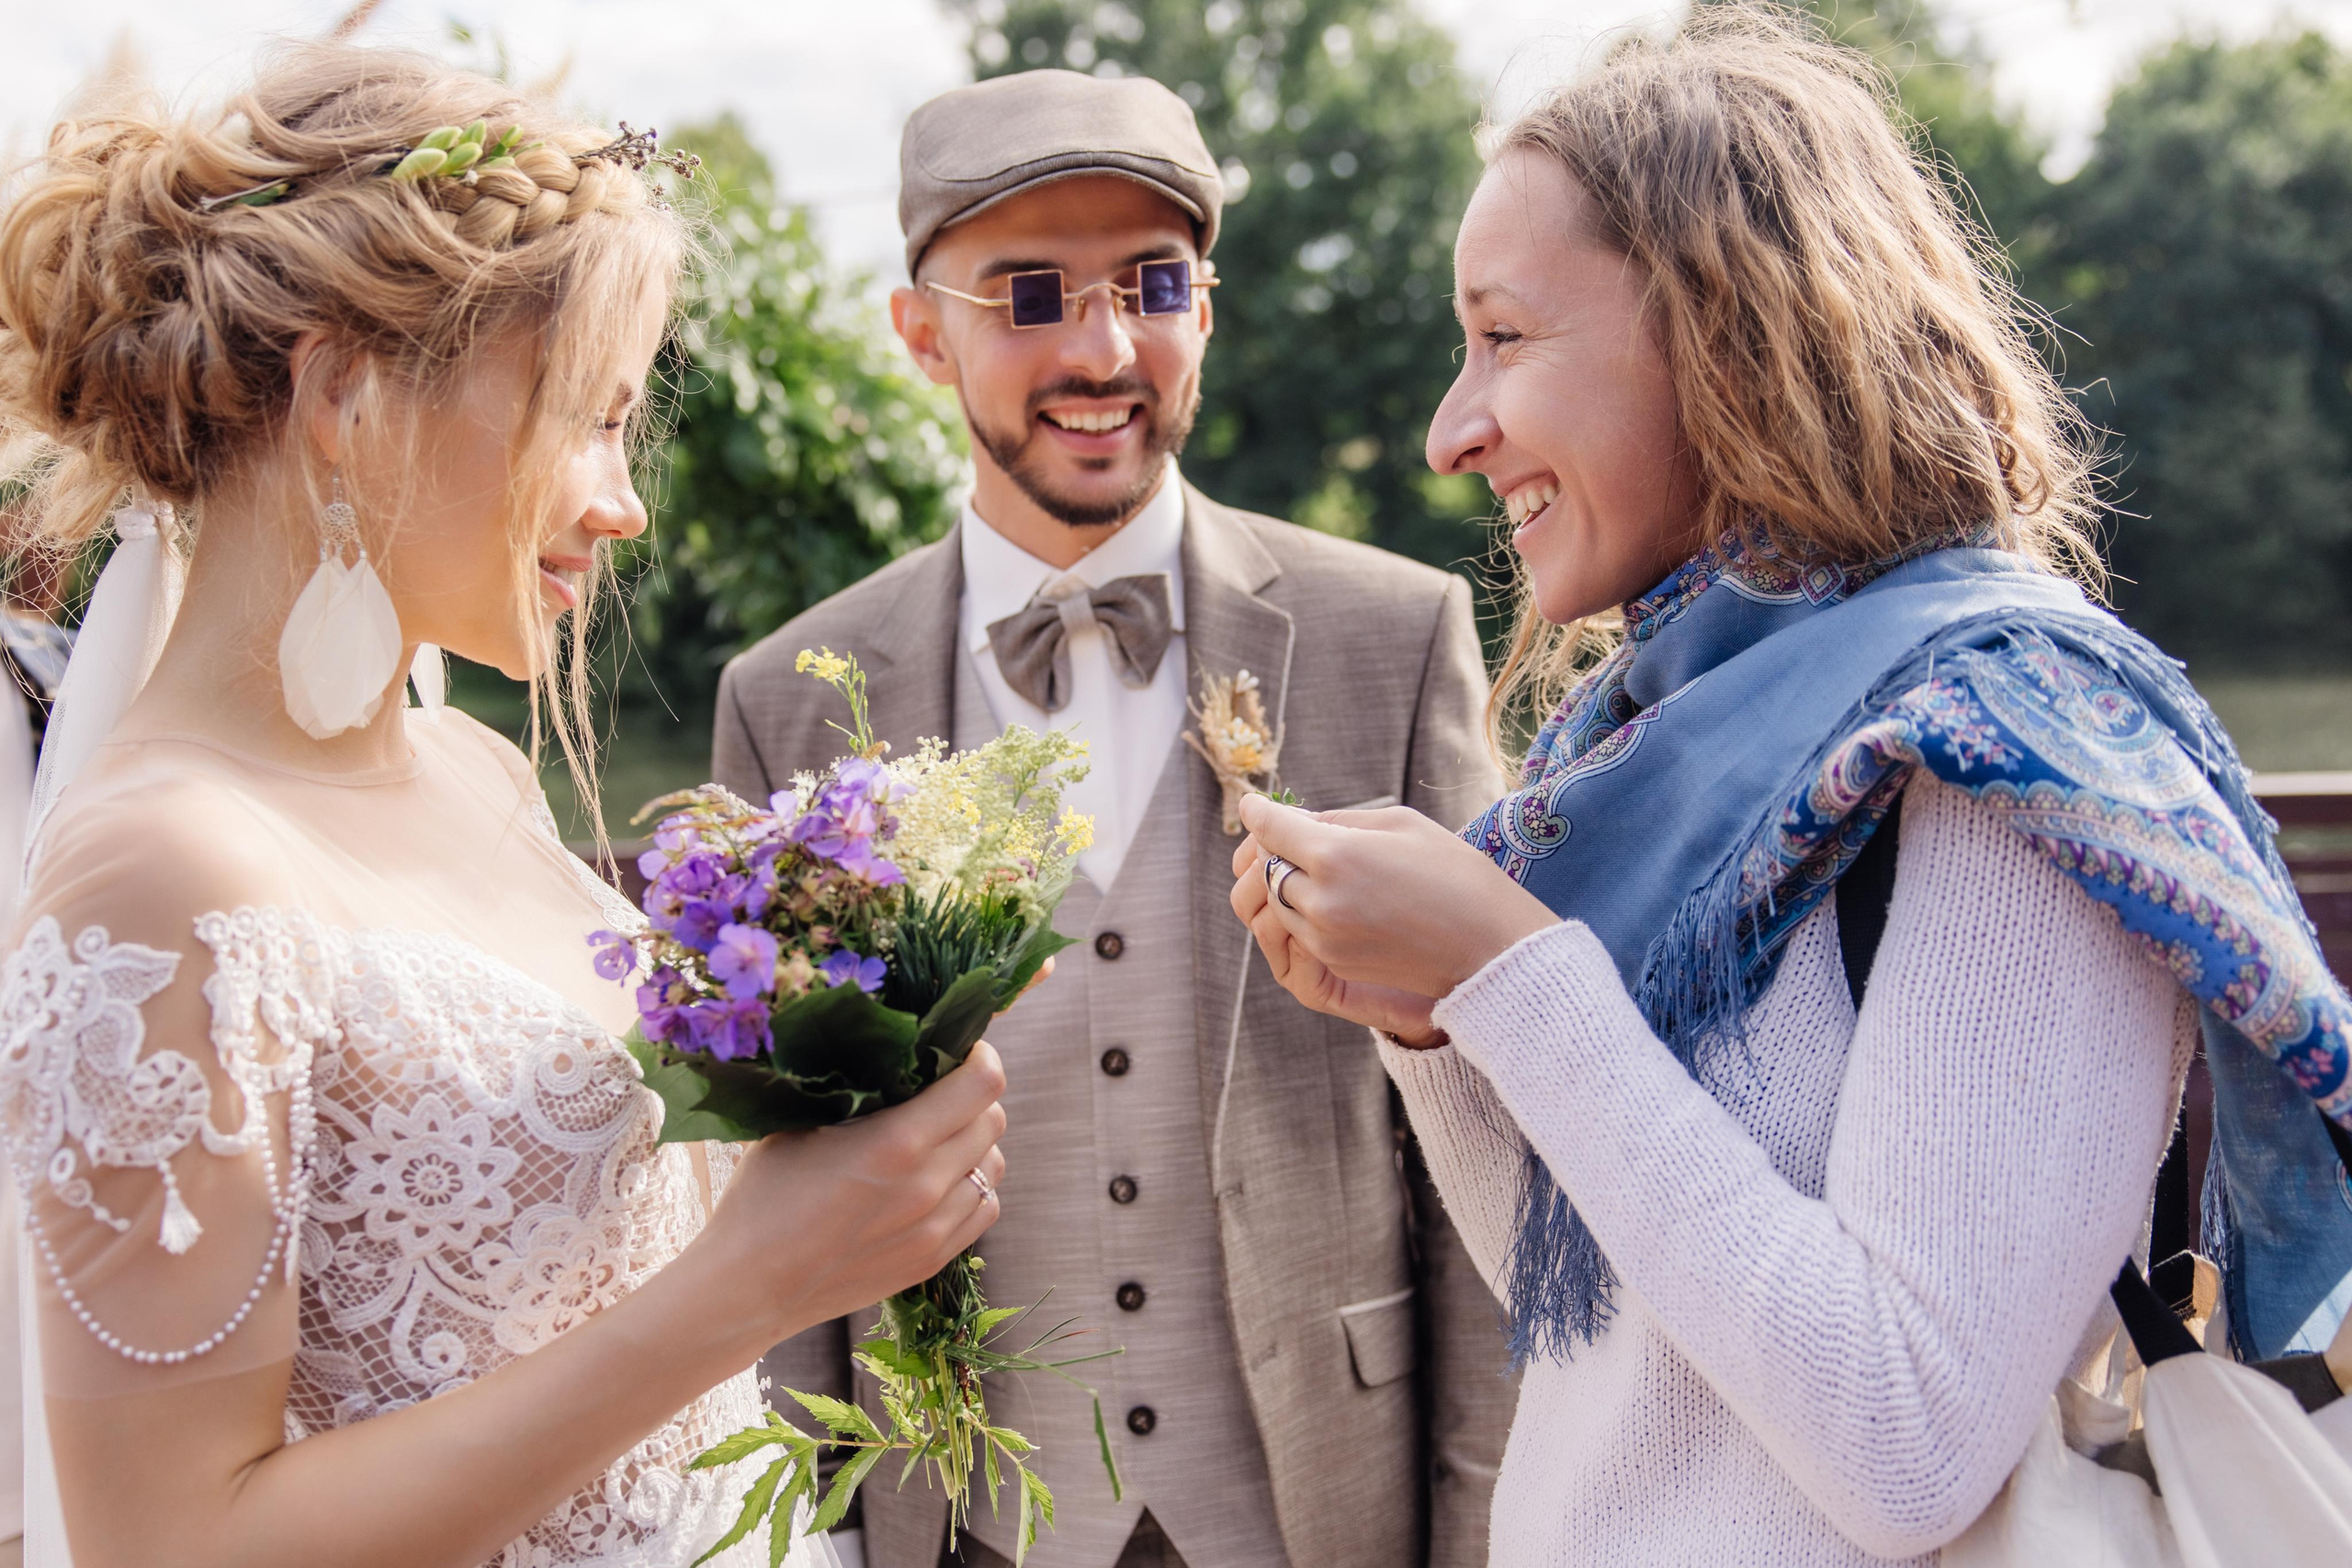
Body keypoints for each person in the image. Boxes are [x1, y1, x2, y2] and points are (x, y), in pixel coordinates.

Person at [1228, 8, 2352, 1567]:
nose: (1450, 433)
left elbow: (1906, 1446)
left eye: (1505, 338)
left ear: (1729, 335)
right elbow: (1620, 1348)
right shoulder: (1641, 755)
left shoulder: (1997, 751)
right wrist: (1433, 1021)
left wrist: (1513, 970)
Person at [0, 43, 1008, 1568]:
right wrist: (749, 1286)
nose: (625, 499)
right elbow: (171, 1544)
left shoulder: (474, 770)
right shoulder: (162, 868)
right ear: (346, 389)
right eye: (586, 416)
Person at [715, 67, 1512, 1568]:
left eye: (1152, 283)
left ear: (1206, 307)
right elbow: (782, 1169)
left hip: (1321, 1507)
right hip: (958, 1521)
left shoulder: (1391, 639)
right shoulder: (791, 702)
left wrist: (1487, 1534)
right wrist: (819, 1535)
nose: (1103, 350)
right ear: (919, 332)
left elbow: (1487, 1128)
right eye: (1031, 294)